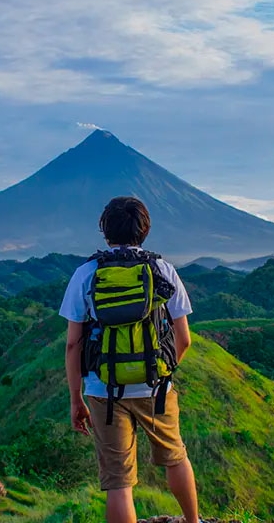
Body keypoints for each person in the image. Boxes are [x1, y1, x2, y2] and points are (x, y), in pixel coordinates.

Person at [60, 196, 200, 523]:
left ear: (105, 230)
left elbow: (72, 344)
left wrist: (75, 398)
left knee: (119, 482)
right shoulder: (162, 269)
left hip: (103, 388)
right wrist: (161, 372)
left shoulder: (86, 273)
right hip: (156, 387)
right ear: (145, 230)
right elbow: (184, 339)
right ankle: (194, 521)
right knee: (176, 457)